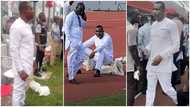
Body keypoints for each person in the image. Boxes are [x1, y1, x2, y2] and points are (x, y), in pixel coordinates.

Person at [145, 1, 179, 106]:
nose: (154, 11)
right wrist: (146, 49)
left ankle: (180, 101)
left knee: (167, 89)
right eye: (153, 9)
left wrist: (161, 56)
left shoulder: (171, 24)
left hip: (164, 64)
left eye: (157, 9)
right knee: (150, 89)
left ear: (164, 11)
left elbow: (176, 45)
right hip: (151, 64)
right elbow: (153, 42)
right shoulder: (153, 25)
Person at [9, 1, 34, 106]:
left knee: (23, 87)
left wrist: (33, 62)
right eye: (31, 9)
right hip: (21, 67)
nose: (33, 11)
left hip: (27, 64)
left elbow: (27, 47)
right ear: (24, 11)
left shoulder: (26, 25)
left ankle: (22, 104)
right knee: (18, 91)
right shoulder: (16, 26)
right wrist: (20, 70)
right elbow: (13, 50)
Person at [64, 2, 86, 84]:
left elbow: (84, 25)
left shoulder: (79, 16)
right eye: (80, 9)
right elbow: (66, 29)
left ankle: (71, 72)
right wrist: (70, 41)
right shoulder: (70, 16)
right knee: (71, 59)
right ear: (76, 8)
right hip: (73, 41)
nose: (81, 11)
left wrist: (83, 15)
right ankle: (71, 78)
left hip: (79, 42)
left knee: (82, 58)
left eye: (82, 10)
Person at [127, 15, 143, 106]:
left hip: (127, 61)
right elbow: (132, 48)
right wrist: (138, 64)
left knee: (130, 85)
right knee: (131, 87)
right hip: (130, 63)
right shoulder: (131, 29)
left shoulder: (128, 28)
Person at [137, 15, 152, 94]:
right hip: (153, 54)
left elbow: (139, 43)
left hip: (145, 54)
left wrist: (144, 52)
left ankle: (143, 89)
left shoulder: (141, 29)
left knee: (144, 72)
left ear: (142, 21)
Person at [34, 12, 48, 77]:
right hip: (40, 44)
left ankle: (40, 68)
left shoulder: (43, 24)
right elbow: (37, 35)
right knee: (38, 57)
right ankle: (35, 71)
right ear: (41, 17)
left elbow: (44, 33)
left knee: (42, 56)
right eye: (44, 16)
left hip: (43, 43)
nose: (45, 17)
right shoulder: (39, 25)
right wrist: (39, 46)